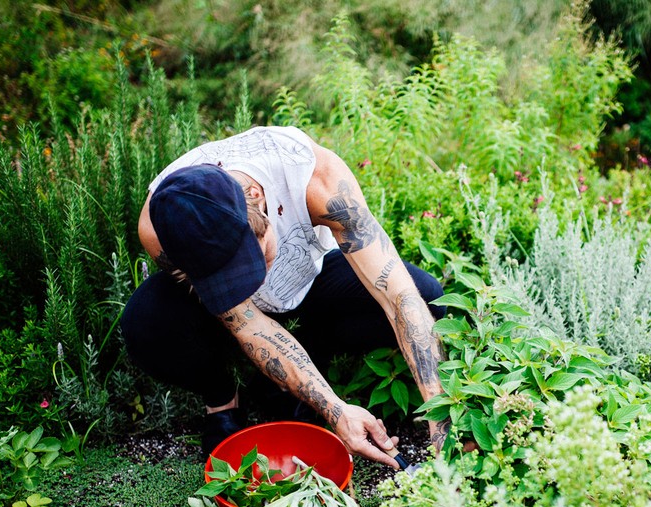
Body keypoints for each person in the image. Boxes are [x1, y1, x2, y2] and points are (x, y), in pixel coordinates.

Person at [120, 125, 449, 469]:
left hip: (309, 282)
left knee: (425, 297)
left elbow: (397, 296)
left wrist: (441, 421)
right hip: (234, 317)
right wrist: (335, 411)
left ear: (256, 198)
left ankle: (298, 361)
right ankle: (222, 400)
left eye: (252, 259)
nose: (253, 280)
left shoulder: (317, 180)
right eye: (230, 275)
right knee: (147, 321)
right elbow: (246, 323)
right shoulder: (160, 229)